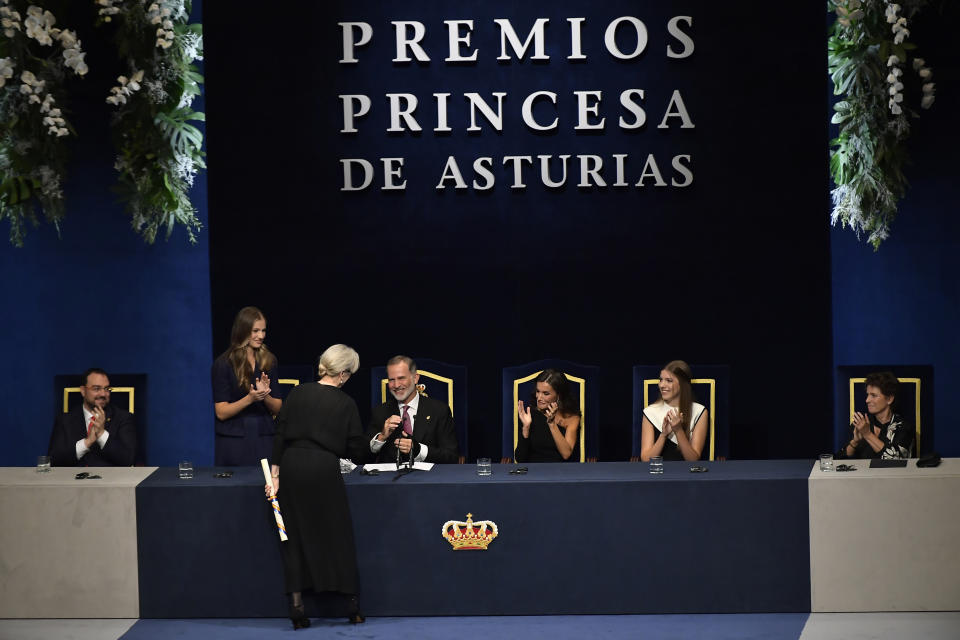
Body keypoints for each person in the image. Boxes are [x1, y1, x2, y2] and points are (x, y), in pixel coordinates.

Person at [266, 344, 367, 630]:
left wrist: (274, 476)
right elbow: (356, 450)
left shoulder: (297, 393)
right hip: (324, 469)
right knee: (337, 534)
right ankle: (352, 606)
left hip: (293, 466)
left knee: (293, 538)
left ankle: (297, 606)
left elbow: (280, 434)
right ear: (344, 374)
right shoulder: (346, 404)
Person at [212, 307, 282, 466]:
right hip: (234, 439)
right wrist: (250, 398)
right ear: (242, 331)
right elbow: (221, 412)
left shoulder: (268, 361)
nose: (261, 336)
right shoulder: (223, 364)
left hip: (264, 436)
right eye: (255, 331)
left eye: (263, 331)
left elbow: (278, 408)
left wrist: (265, 395)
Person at [368, 355, 459, 464]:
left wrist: (419, 450)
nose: (396, 385)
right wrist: (381, 437)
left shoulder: (439, 410)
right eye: (392, 380)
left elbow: (451, 457)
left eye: (401, 378)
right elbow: (363, 456)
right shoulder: (380, 412)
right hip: (390, 479)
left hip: (429, 478)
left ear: (415, 378)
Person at [48, 368, 136, 466]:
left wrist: (102, 434)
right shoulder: (65, 420)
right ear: (83, 391)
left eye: (107, 389)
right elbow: (54, 460)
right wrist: (87, 443)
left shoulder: (123, 418)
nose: (103, 394)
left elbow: (128, 460)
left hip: (109, 480)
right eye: (96, 388)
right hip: (72, 480)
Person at [640, 360, 708, 462]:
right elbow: (645, 459)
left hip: (686, 475)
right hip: (657, 474)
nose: (662, 385)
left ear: (682, 384)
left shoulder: (699, 411)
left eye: (669, 380)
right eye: (661, 380)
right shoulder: (650, 412)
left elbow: (693, 459)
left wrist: (678, 430)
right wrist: (663, 435)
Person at [837, 371, 914, 459]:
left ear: (889, 399)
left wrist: (868, 434)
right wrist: (855, 441)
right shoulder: (861, 423)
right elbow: (839, 460)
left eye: (873, 395)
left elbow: (898, 459)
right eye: (868, 395)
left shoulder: (903, 427)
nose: (867, 400)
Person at [514, 368, 581, 462]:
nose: (539, 398)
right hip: (533, 472)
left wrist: (552, 423)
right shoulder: (529, 415)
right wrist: (526, 428)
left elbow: (566, 454)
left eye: (546, 393)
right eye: (538, 391)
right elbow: (520, 459)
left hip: (559, 472)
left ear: (559, 395)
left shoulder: (572, 418)